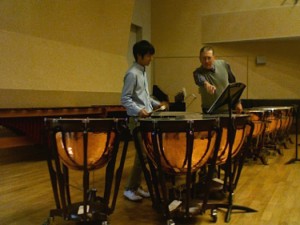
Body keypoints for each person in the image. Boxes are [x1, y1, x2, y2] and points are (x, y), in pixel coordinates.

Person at [121, 40, 167, 201]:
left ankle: (136, 186)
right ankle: (129, 189)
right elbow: (125, 99)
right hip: (136, 120)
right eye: (148, 56)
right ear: (139, 56)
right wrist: (139, 111)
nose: (151, 59)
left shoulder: (142, 71)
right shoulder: (132, 73)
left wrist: (157, 104)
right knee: (142, 156)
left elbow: (144, 97)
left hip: (145, 120)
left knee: (145, 156)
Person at [193, 46, 243, 114]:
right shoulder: (197, 72)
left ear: (214, 58)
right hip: (209, 111)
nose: (206, 61)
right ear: (200, 59)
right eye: (204, 58)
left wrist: (238, 102)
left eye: (209, 58)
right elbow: (200, 79)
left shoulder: (224, 64)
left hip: (227, 109)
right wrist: (206, 84)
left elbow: (233, 84)